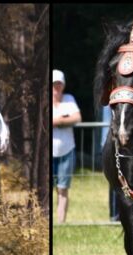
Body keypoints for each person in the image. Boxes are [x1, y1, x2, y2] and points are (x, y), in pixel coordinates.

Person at [52, 69, 81, 223]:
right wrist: (64, 120)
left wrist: (58, 122)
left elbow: (77, 117)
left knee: (62, 189)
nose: (56, 87)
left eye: (59, 84)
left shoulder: (69, 99)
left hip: (67, 150)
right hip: (50, 154)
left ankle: (60, 222)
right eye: (53, 84)